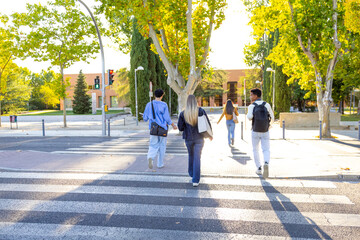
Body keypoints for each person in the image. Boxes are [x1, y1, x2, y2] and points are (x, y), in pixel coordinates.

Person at [177, 95, 212, 187]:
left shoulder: (183, 113)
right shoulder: (201, 111)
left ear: (187, 102)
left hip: (188, 138)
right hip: (199, 138)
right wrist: (210, 135)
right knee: (197, 157)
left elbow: (180, 128)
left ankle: (192, 173)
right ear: (195, 101)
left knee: (191, 155)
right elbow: (207, 123)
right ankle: (195, 179)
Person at [143, 89, 177, 169]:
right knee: (162, 146)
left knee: (153, 144)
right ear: (162, 95)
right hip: (162, 128)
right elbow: (167, 118)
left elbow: (145, 118)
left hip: (153, 128)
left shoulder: (149, 104)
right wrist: (173, 125)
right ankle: (160, 164)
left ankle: (150, 157)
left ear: (154, 95)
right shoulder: (164, 105)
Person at [247, 88, 274, 178]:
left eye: (251, 95)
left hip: (255, 130)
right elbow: (272, 118)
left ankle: (259, 168)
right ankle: (266, 162)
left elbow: (249, 117)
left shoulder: (252, 106)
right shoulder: (267, 104)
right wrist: (268, 127)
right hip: (265, 130)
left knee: (255, 149)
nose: (250, 96)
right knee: (266, 149)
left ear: (255, 95)